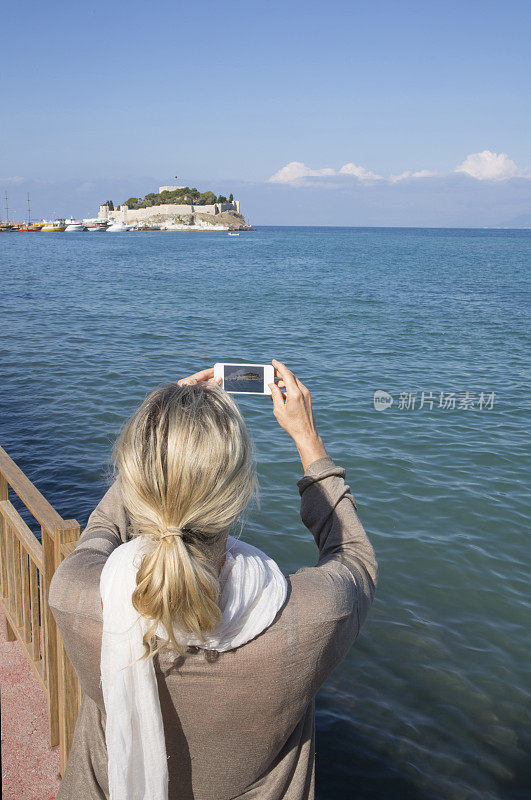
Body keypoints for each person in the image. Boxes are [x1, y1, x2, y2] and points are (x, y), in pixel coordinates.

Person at [49, 358, 378, 800]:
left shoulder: (73, 596)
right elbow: (353, 556)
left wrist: (161, 438)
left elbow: (103, 529)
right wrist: (307, 439)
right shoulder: (311, 620)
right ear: (240, 495)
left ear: (136, 476)